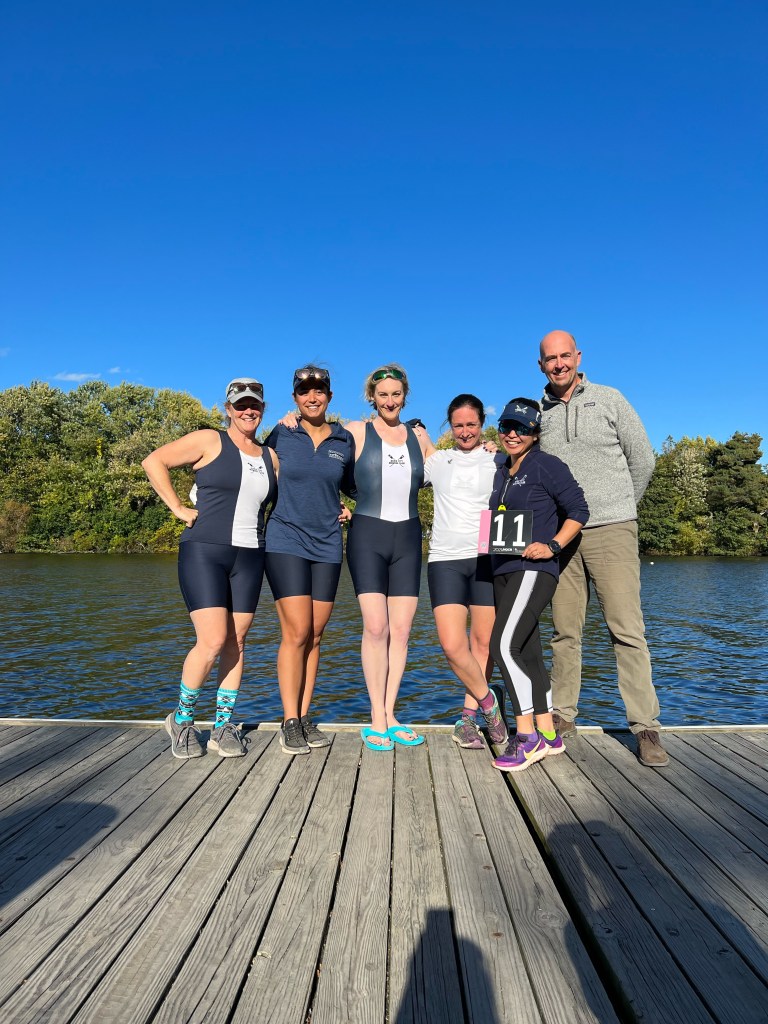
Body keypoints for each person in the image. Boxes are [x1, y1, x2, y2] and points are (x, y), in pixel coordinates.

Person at [537, 330, 667, 767]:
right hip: (561, 537)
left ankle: (645, 727)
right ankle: (562, 715)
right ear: (541, 365)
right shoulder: (540, 415)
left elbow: (643, 459)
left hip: (613, 528)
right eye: (550, 359)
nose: (559, 364)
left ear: (578, 356)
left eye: (564, 356)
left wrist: (621, 507)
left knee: (626, 630)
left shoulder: (610, 399)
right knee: (564, 631)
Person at [142, 378, 277, 759]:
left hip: (251, 556)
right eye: (240, 405)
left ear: (262, 409)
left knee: (237, 641)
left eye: (255, 405)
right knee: (213, 640)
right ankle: (182, 720)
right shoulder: (209, 439)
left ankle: (222, 727)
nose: (248, 411)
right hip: (205, 551)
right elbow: (153, 461)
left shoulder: (271, 457)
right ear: (228, 409)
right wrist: (178, 509)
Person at [487, 398, 589, 772]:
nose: (513, 433)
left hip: (534, 569)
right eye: (507, 427)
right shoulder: (502, 469)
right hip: (503, 569)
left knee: (501, 645)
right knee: (527, 652)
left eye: (523, 428)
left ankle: (526, 736)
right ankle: (548, 733)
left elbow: (579, 510)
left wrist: (553, 546)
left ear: (536, 433)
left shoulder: (547, 464)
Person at [263, 366, 356, 755]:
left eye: (319, 391)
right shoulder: (282, 432)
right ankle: (288, 721)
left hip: (328, 544)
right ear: (295, 397)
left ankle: (303, 716)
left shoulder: (343, 438)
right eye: (304, 391)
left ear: (330, 396)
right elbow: (254, 473)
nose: (312, 397)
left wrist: (348, 506)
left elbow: (351, 484)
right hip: (285, 539)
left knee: (316, 634)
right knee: (297, 631)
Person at [345, 364, 431, 751]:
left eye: (396, 394)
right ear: (372, 398)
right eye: (383, 395)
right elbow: (317, 463)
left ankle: (391, 713)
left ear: (405, 396)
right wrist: (291, 419)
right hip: (368, 536)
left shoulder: (418, 436)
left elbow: (451, 468)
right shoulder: (355, 431)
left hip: (408, 539)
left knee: (401, 631)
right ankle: (376, 716)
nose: (390, 401)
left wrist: (487, 451)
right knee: (376, 628)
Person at [418, 395, 508, 749]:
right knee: (454, 645)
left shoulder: (497, 459)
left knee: (482, 644)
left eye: (472, 424)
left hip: (487, 557)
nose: (466, 431)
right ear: (449, 427)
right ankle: (490, 703)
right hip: (445, 560)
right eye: (459, 425)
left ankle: (469, 718)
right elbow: (395, 465)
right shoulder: (437, 461)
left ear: (482, 423)